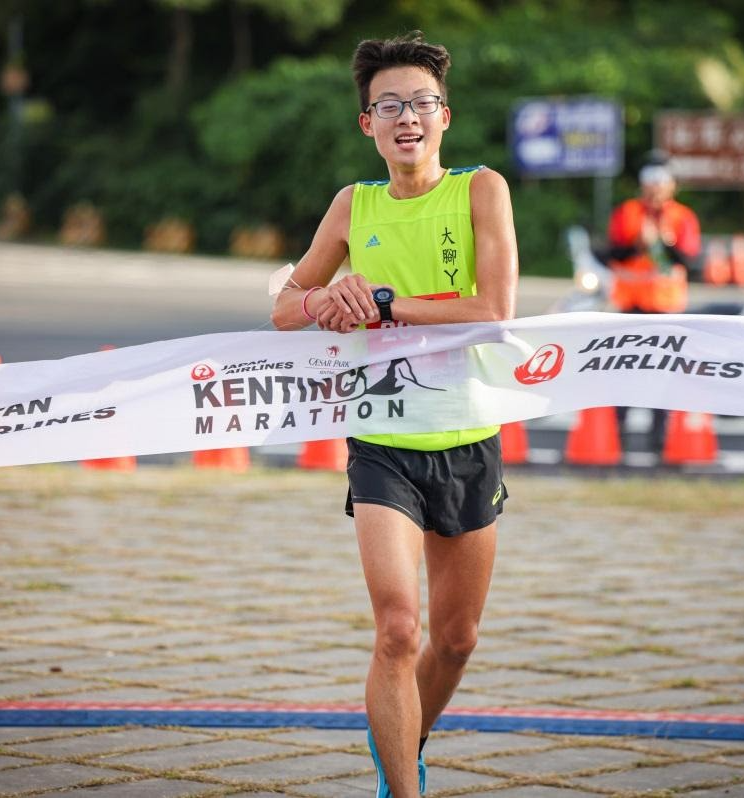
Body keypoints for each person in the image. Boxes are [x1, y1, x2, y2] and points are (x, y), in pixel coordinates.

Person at [270, 32, 519, 798]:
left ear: (445, 116)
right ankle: (402, 787)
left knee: (456, 639)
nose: (405, 117)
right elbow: (285, 307)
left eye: (420, 103)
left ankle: (404, 742)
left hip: (468, 435)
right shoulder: (355, 204)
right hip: (382, 441)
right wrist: (326, 296)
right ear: (366, 124)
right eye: (388, 106)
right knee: (398, 629)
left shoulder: (481, 190)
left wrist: (383, 303)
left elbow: (494, 310)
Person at [600, 155, 700, 450]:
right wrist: (638, 245)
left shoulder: (683, 217)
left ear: (672, 186)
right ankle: (617, 433)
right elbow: (611, 253)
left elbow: (689, 261)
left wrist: (664, 243)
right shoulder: (627, 212)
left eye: (661, 182)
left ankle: (660, 437)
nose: (655, 188)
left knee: (664, 374)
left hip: (667, 307)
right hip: (630, 305)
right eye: (650, 182)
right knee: (624, 371)